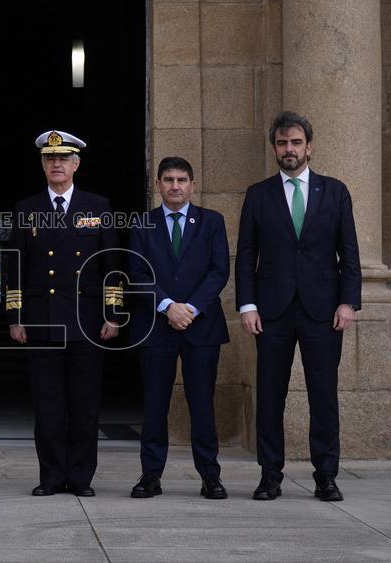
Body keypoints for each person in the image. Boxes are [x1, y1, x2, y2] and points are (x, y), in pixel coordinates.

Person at [236, 111, 361, 502]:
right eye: (281, 143)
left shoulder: (335, 191)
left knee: (323, 394)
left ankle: (326, 475)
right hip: (271, 311)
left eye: (294, 143)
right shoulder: (258, 194)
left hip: (323, 311)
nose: (288, 150)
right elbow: (245, 255)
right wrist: (247, 305)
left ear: (309, 146)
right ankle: (269, 475)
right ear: (274, 148)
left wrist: (348, 302)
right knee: (270, 395)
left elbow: (350, 253)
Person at [4, 130, 123, 497]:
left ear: (76, 164)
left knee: (85, 406)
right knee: (48, 406)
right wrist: (14, 316)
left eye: (63, 159)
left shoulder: (97, 206)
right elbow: (15, 266)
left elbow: (112, 266)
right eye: (50, 159)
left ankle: (81, 477)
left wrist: (113, 314)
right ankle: (52, 476)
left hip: (87, 322)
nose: (57, 164)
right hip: (42, 319)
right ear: (42, 165)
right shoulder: (27, 208)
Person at [128, 157, 230, 499]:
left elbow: (219, 271)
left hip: (201, 328)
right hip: (156, 326)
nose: (175, 185)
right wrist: (167, 306)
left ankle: (210, 476)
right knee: (154, 404)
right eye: (169, 179)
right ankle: (150, 476)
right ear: (158, 184)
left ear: (192, 184)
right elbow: (137, 275)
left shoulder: (212, 222)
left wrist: (190, 308)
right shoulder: (142, 224)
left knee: (202, 403)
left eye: (182, 179)